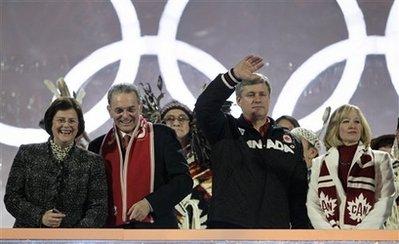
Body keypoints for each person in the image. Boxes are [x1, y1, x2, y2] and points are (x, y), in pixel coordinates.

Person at [194, 55, 309, 228]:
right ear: (238, 101)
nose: (257, 99)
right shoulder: (225, 129)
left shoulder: (291, 141)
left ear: (269, 99)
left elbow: (298, 194)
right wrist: (232, 76)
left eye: (262, 94)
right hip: (228, 229)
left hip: (274, 231)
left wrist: (301, 233)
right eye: (250, 94)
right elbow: (204, 107)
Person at [88, 84, 192, 228]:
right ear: (109, 111)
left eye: (131, 109)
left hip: (157, 229)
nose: (125, 116)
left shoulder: (162, 135)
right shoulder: (97, 146)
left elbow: (183, 181)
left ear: (140, 107)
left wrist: (150, 203)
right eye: (119, 110)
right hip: (112, 232)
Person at [4, 97, 108, 228]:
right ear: (50, 123)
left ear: (79, 126)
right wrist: (40, 217)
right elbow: (12, 198)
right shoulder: (27, 153)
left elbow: (99, 207)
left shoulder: (93, 161)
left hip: (74, 240)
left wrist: (76, 234)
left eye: (72, 121)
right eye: (60, 120)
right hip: (28, 236)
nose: (66, 125)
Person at [307, 104, 396, 229]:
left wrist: (358, 235)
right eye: (345, 121)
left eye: (357, 122)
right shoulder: (319, 163)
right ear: (335, 127)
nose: (352, 126)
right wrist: (332, 235)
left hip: (367, 238)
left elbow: (385, 201)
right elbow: (313, 205)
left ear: (362, 127)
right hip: (330, 239)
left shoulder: (381, 159)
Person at [161, 101, 212, 229]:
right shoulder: (156, 159)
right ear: (161, 124)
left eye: (182, 118)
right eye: (169, 119)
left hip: (205, 225)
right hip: (166, 227)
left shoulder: (205, 159)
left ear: (191, 124)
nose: (176, 123)